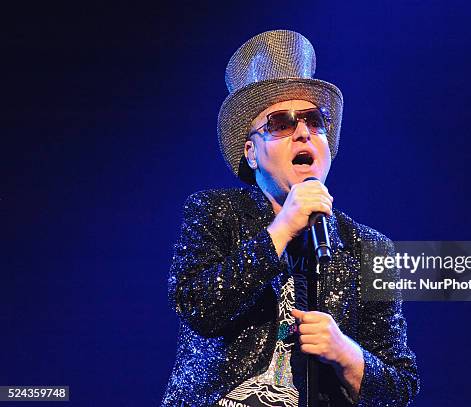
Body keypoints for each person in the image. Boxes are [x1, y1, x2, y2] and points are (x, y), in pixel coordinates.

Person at [161, 30, 419, 407]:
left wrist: (345, 352)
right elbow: (198, 306)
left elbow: (400, 389)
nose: (302, 133)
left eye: (315, 120)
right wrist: (280, 230)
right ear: (251, 153)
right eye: (281, 123)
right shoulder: (215, 212)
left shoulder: (369, 247)